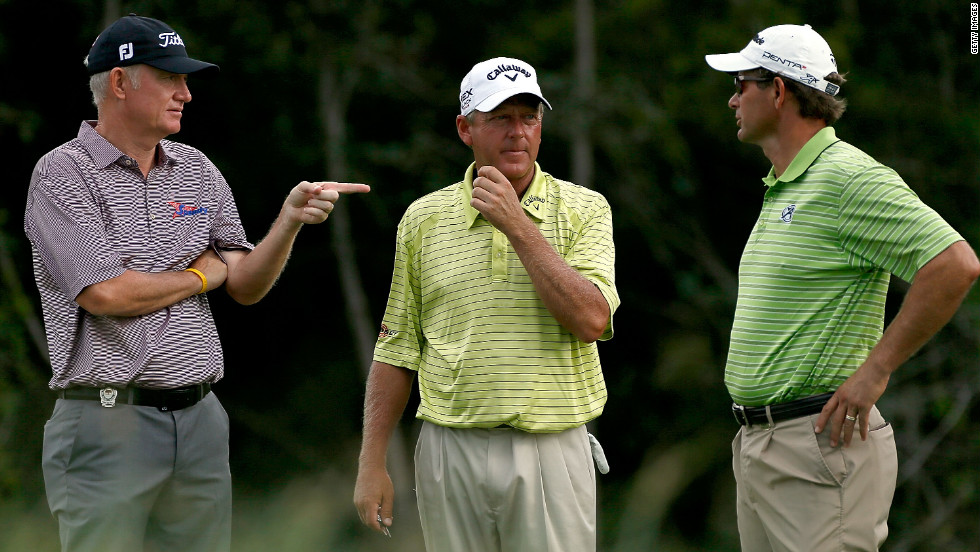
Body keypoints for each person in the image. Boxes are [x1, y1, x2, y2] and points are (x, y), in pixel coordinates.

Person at [24, 14, 369, 552]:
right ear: (119, 82)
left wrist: (289, 220)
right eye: (169, 77)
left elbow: (245, 284)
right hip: (106, 421)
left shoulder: (196, 169)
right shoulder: (61, 173)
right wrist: (198, 275)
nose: (185, 93)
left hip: (201, 420)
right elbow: (106, 293)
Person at [704, 24, 980, 551]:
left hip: (818, 446)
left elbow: (954, 264)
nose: (733, 98)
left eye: (742, 84)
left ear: (779, 90)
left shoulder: (846, 177)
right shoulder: (785, 183)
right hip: (763, 446)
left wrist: (876, 371)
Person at [353, 56, 619, 551]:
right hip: (447, 449)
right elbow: (397, 348)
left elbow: (591, 318)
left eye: (529, 117)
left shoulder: (584, 208)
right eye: (500, 118)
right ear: (465, 128)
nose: (518, 132)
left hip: (550, 447)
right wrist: (371, 463)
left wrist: (517, 225)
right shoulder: (422, 219)